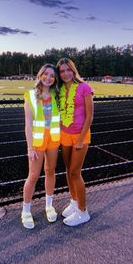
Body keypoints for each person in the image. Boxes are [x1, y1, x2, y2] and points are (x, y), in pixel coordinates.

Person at [21, 64, 60, 229]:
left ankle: (49, 205)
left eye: (52, 75)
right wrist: (30, 148)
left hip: (53, 139)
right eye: (46, 74)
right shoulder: (30, 95)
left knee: (50, 171)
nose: (49, 78)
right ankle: (26, 210)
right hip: (37, 142)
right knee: (33, 175)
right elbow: (28, 124)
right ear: (40, 75)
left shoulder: (57, 94)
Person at [56, 58, 94, 227]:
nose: (65, 73)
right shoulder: (60, 89)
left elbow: (89, 116)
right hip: (65, 134)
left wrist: (80, 139)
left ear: (73, 70)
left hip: (80, 136)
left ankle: (83, 211)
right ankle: (74, 201)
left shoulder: (84, 87)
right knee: (68, 171)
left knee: (75, 173)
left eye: (68, 70)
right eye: (62, 71)